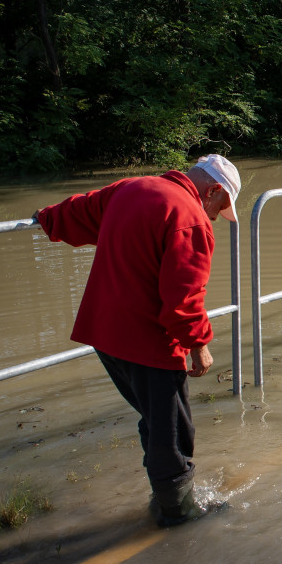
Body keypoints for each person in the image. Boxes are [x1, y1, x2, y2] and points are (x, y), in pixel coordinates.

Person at [33, 155, 241, 526]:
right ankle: (178, 513)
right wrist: (199, 346)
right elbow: (183, 299)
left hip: (104, 336)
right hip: (147, 344)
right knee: (174, 432)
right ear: (213, 191)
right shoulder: (190, 218)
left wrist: (45, 218)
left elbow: (75, 214)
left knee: (155, 418)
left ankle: (161, 494)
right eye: (218, 209)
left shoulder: (132, 188)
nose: (213, 218)